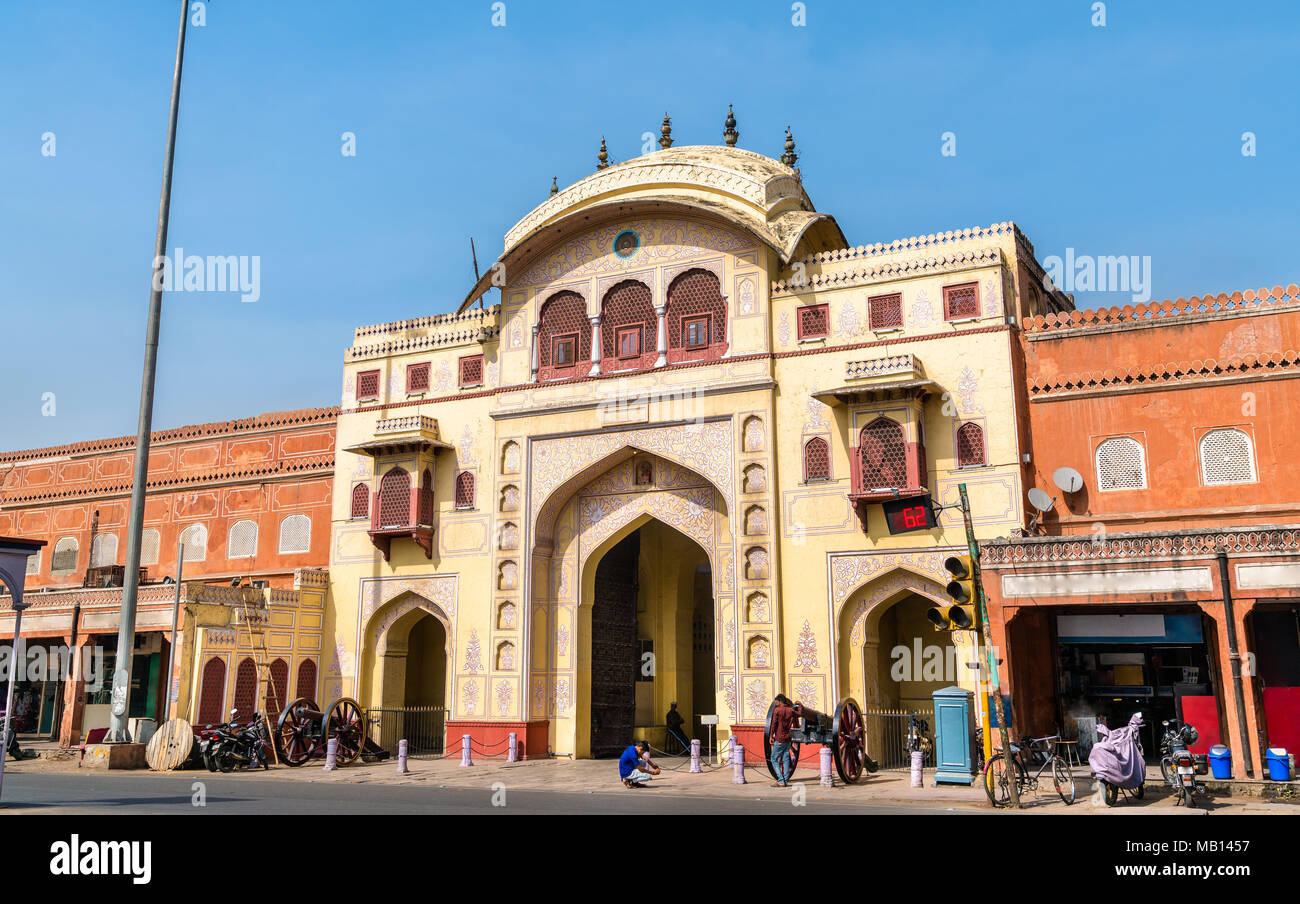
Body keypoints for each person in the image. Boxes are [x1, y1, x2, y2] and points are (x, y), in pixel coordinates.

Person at [769, 693, 802, 787]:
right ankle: (786, 780)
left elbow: (773, 724)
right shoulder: (790, 710)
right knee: (786, 758)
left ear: (780, 701)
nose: (776, 703)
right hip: (788, 738)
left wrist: (771, 736)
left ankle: (781, 780)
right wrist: (800, 705)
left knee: (774, 759)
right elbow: (799, 714)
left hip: (779, 738)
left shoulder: (777, 711)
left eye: (776, 701)